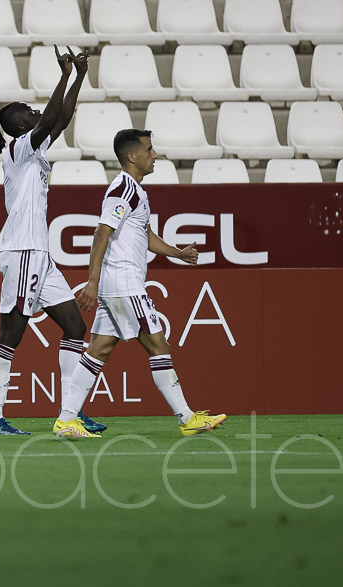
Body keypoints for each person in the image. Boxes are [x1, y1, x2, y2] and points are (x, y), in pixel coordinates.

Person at [55, 129, 227, 439]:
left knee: (99, 349)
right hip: (124, 283)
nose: (155, 155)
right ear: (132, 156)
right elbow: (101, 233)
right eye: (149, 150)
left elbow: (144, 235)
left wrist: (177, 253)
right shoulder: (123, 189)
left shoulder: (135, 190)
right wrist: (91, 282)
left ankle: (67, 419)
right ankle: (186, 417)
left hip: (117, 283)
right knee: (158, 346)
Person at [0, 48, 105, 436]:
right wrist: (63, 75)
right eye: (27, 113)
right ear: (16, 127)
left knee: (74, 326)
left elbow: (60, 119)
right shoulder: (18, 150)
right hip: (21, 252)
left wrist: (79, 75)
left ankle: (69, 414)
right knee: (11, 334)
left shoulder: (34, 147)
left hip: (41, 255)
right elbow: (51, 117)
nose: (34, 114)